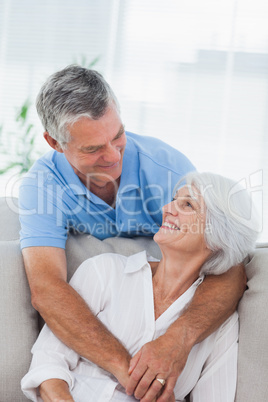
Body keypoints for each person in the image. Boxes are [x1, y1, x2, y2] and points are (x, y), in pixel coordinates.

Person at [19, 65, 247, 401]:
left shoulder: (167, 170)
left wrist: (176, 341)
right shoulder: (43, 188)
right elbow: (47, 288)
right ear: (55, 142)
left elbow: (229, 258)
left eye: (118, 136)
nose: (113, 156)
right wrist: (135, 376)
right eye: (93, 148)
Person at [21, 171, 258, 402]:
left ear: (218, 234)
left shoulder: (220, 324)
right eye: (174, 200)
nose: (167, 209)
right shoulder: (104, 271)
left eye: (188, 205)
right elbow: (47, 366)